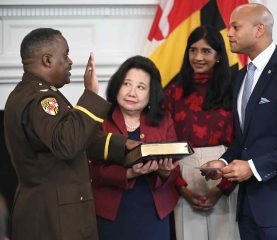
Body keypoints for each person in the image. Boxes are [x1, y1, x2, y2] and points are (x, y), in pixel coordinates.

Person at [4, 28, 138, 240]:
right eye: (65, 55)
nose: (70, 61)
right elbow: (67, 144)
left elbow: (77, 136)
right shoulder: (42, 99)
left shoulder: (27, 92)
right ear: (47, 60)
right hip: (55, 217)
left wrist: (124, 146)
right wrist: (91, 94)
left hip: (48, 210)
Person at [203, 3, 277, 240]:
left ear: (259, 29)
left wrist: (253, 167)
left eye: (235, 26)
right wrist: (223, 162)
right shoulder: (242, 76)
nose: (229, 33)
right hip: (249, 209)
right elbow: (244, 139)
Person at [90, 55, 181, 240]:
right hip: (111, 212)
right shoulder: (100, 119)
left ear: (151, 94)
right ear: (117, 85)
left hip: (154, 213)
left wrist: (165, 172)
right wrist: (129, 173)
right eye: (127, 84)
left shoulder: (164, 120)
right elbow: (92, 170)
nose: (132, 93)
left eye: (141, 87)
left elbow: (175, 171)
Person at [164, 25, 239, 240]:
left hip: (226, 174)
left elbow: (240, 142)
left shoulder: (233, 89)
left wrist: (222, 188)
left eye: (206, 51)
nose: (198, 57)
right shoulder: (173, 91)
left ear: (218, 56)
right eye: (193, 50)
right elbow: (166, 141)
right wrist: (181, 188)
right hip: (184, 174)